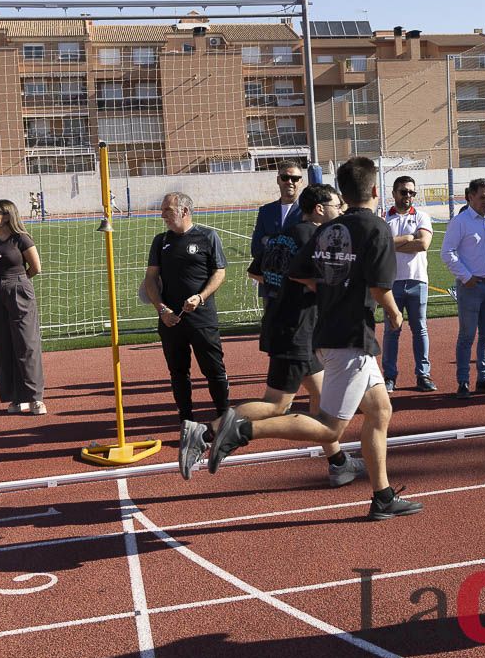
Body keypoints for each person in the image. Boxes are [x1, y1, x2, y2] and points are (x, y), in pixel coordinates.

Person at [208, 156, 423, 521]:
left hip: (335, 333)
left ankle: (382, 495)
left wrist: (329, 288)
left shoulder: (327, 229)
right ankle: (241, 431)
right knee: (328, 424)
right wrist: (395, 312)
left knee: (380, 410)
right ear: (375, 190)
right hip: (350, 335)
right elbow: (378, 287)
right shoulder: (377, 228)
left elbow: (296, 272)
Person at [180, 183, 366, 487]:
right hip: (296, 330)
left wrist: (284, 287)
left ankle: (338, 463)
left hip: (286, 324)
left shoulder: (285, 234)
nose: (341, 210)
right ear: (320, 209)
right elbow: (322, 280)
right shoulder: (315, 237)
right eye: (337, 205)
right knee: (277, 404)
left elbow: (256, 272)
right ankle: (204, 432)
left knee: (321, 399)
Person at [143, 192, 231, 424]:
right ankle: (186, 421)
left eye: (167, 210)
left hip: (202, 319)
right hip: (171, 321)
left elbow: (219, 272)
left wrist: (200, 298)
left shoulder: (208, 236)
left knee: (214, 370)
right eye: (162, 210)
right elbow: (150, 279)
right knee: (178, 373)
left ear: (184, 211)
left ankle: (224, 418)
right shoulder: (160, 241)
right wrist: (162, 310)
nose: (162, 215)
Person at [0, 199, 45, 415]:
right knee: (3, 345)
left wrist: (19, 282)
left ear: (6, 216)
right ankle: (15, 398)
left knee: (26, 343)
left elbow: (35, 268)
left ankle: (35, 398)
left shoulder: (21, 238)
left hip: (18, 289)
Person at [441, 178, 485, 398]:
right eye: (482, 197)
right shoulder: (460, 222)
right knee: (467, 336)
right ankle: (463, 381)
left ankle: (484, 378)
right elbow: (447, 252)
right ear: (470, 197)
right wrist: (466, 277)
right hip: (470, 287)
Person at [382, 175, 436, 393]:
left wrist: (393, 243)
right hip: (391, 282)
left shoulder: (422, 216)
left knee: (420, 329)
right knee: (391, 331)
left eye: (412, 192)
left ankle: (423, 375)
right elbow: (381, 245)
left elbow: (423, 244)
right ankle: (389, 377)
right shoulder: (384, 217)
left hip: (417, 281)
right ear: (394, 193)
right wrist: (407, 238)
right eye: (404, 192)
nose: (408, 196)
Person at [250, 161, 304, 303]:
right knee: (270, 324)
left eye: (295, 179)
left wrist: (270, 241)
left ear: (301, 182)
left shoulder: (307, 212)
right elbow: (256, 248)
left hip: (298, 286)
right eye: (285, 178)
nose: (290, 182)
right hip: (269, 286)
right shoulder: (266, 211)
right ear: (278, 180)